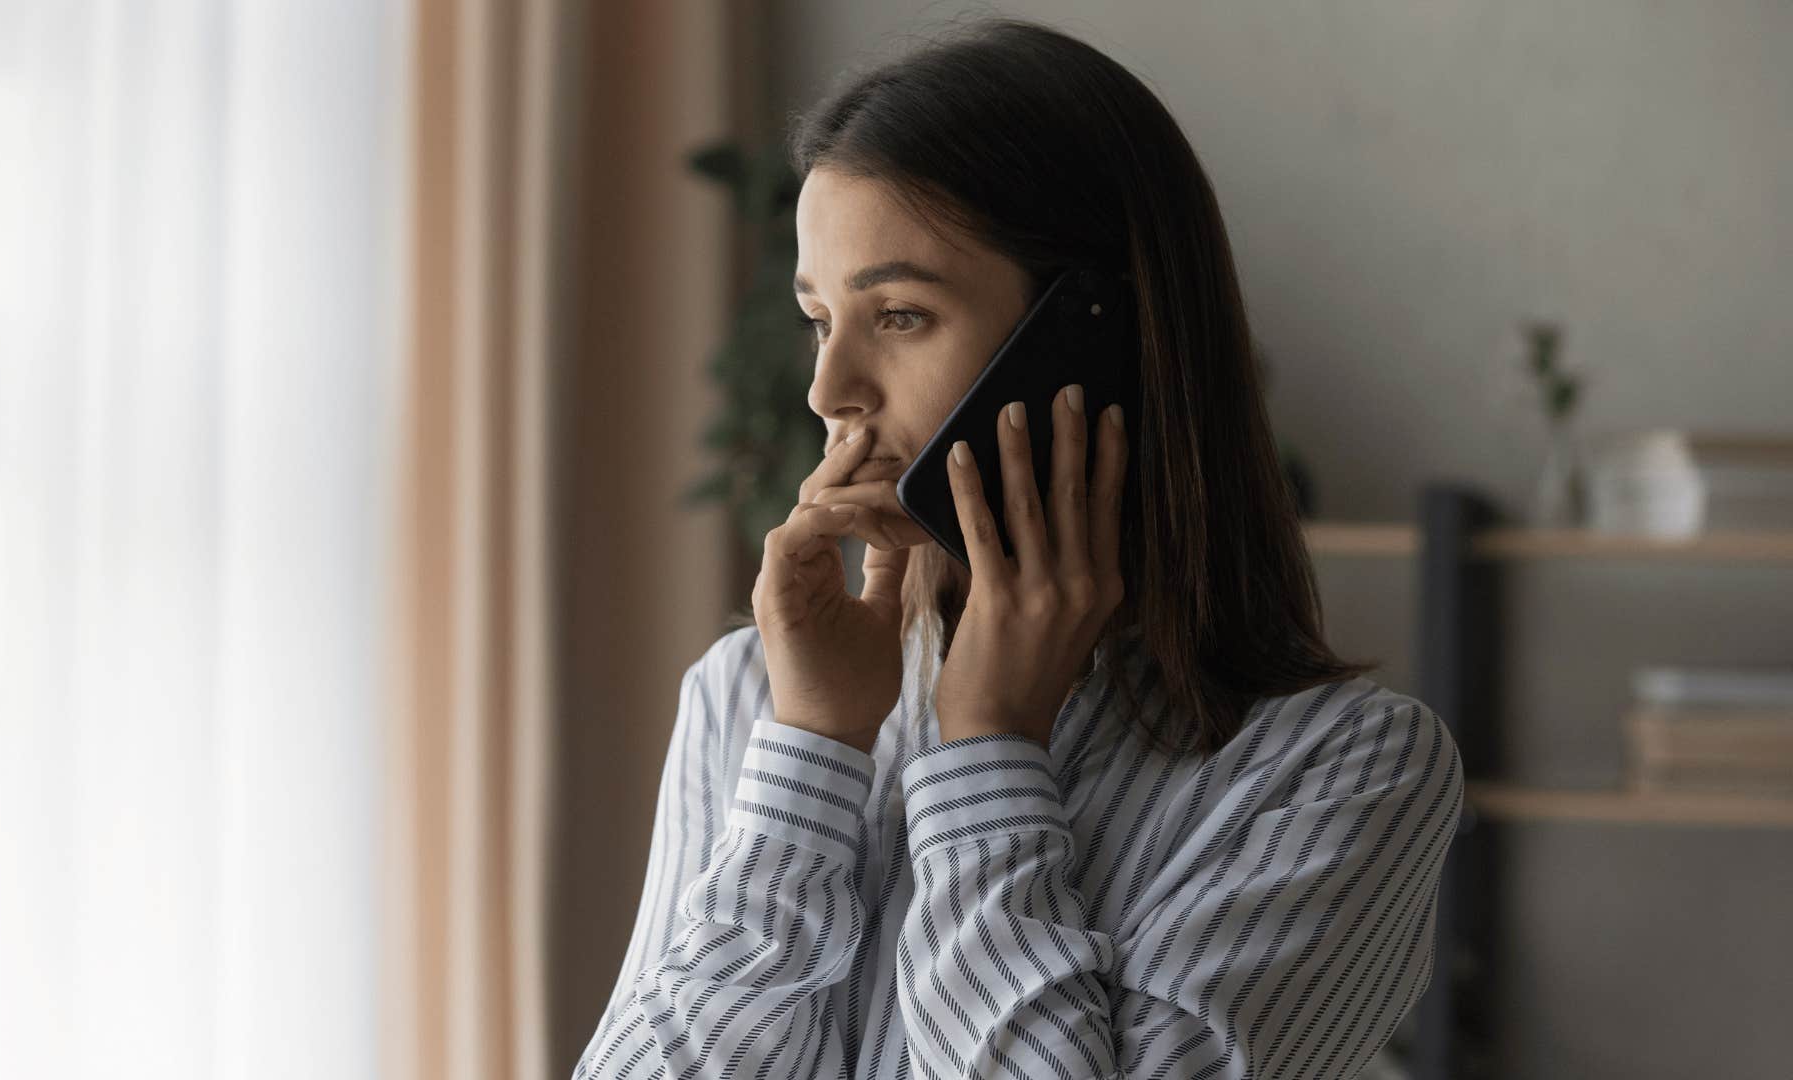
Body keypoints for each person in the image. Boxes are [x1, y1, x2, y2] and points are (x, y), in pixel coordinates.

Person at [574, 16, 1464, 1080]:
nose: (827, 391)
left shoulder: (1340, 774)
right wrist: (811, 754)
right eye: (821, 318)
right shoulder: (750, 699)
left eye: (899, 315)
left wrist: (990, 745)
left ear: (1088, 340)